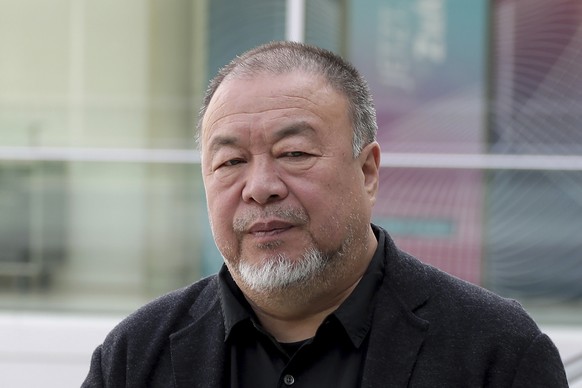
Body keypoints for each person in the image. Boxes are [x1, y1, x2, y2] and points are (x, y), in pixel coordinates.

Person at [82, 41, 568, 387]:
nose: (260, 188)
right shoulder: (134, 357)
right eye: (230, 161)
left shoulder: (495, 354)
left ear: (368, 171)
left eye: (294, 153)